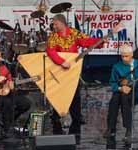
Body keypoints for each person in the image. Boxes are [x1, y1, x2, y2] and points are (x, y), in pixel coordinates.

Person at [46, 14, 107, 144]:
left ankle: (76, 118)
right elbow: (50, 51)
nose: (54, 26)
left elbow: (86, 41)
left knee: (74, 93)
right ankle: (56, 115)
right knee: (59, 92)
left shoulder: (73, 33)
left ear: (61, 23)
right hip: (59, 68)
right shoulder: (53, 36)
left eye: (55, 24)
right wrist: (61, 61)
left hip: (72, 68)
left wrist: (100, 41)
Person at [103, 44, 138, 142]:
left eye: (126, 56)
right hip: (122, 92)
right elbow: (113, 83)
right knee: (115, 98)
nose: (124, 58)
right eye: (122, 56)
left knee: (123, 97)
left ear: (131, 55)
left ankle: (128, 130)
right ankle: (111, 128)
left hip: (137, 93)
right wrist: (121, 88)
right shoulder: (116, 67)